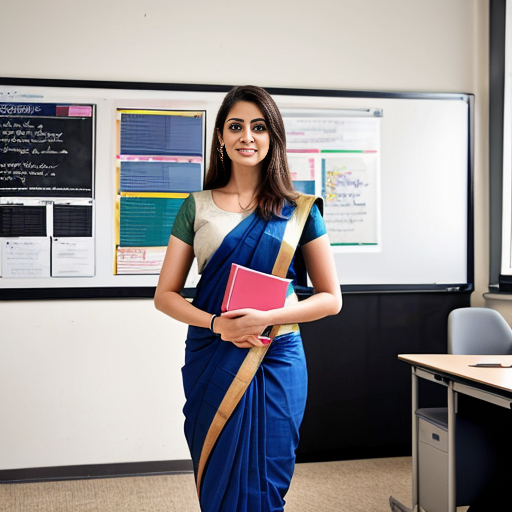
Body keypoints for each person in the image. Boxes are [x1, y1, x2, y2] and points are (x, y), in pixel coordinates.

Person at [154, 85, 342, 512]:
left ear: (273, 136)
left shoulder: (300, 209)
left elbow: (331, 298)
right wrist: (220, 324)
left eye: (258, 127)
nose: (247, 136)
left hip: (276, 354)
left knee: (270, 474)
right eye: (236, 126)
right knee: (217, 470)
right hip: (213, 349)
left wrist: (264, 318)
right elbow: (165, 295)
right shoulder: (196, 207)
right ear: (220, 136)